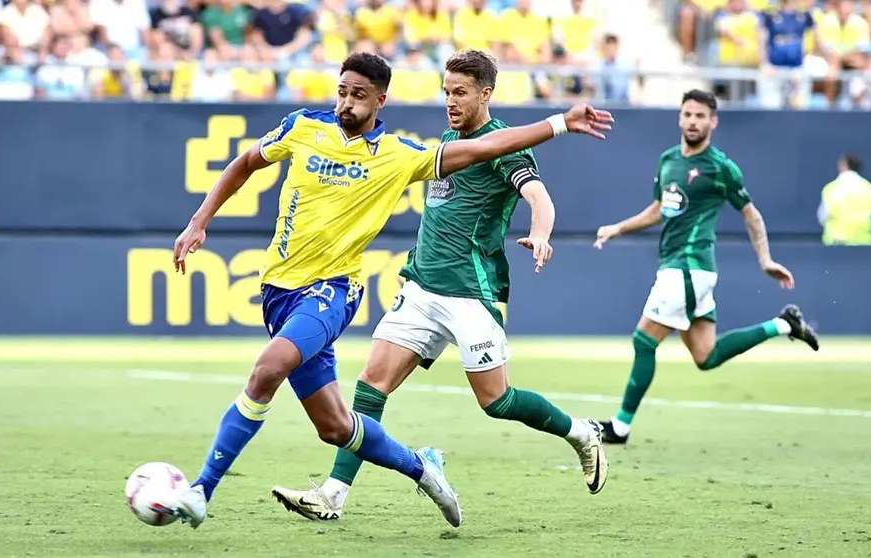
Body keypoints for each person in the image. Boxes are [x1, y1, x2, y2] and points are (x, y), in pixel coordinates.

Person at [168, 52, 614, 528]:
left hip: (464, 291)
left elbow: (528, 186)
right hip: (418, 287)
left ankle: (579, 431)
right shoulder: (327, 130)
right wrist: (199, 221)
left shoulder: (448, 151)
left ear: (485, 94)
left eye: (460, 92)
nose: (450, 101)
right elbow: (246, 161)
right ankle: (348, 490)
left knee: (495, 402)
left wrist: (545, 206)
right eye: (446, 92)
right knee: (361, 397)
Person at [591, 89, 819, 445]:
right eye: (688, 114)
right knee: (706, 356)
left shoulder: (721, 168)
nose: (693, 121)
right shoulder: (668, 160)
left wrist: (765, 260)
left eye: (700, 116)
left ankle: (620, 427)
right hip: (681, 268)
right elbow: (659, 209)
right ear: (679, 118)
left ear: (713, 122)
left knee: (643, 340)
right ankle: (783, 324)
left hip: (688, 266)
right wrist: (617, 228)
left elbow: (751, 215)